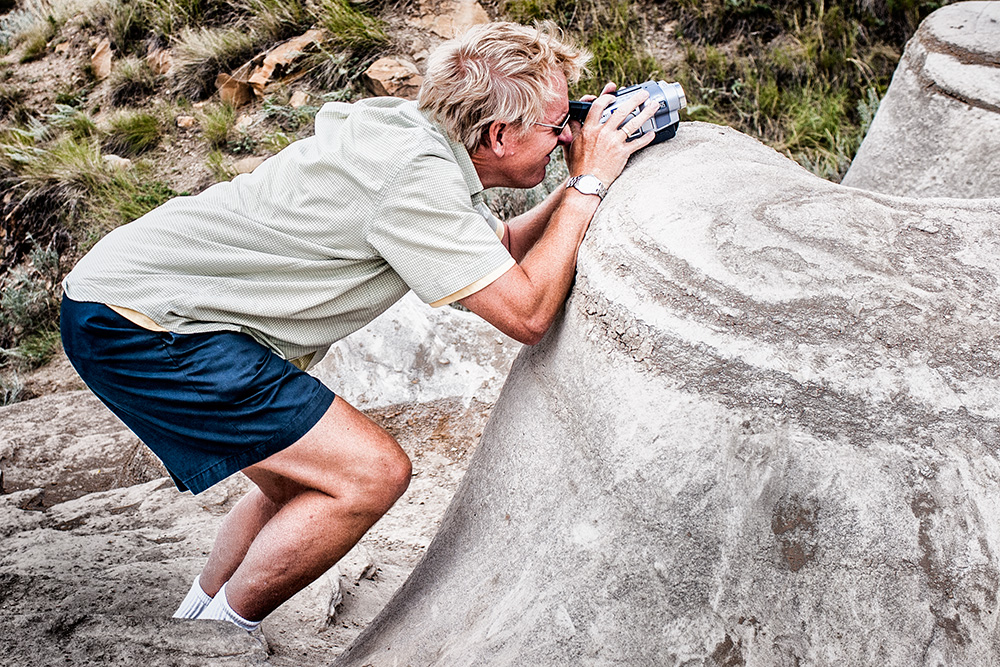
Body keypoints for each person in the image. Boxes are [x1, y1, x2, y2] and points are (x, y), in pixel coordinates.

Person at [59, 20, 659, 631]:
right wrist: (588, 184)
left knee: (298, 484)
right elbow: (525, 314)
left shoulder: (419, 140)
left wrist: (590, 178)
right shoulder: (413, 180)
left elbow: (495, 251)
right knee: (369, 475)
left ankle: (194, 627)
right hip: (148, 326)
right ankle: (220, 637)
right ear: (499, 133)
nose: (567, 137)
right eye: (558, 125)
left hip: (126, 299)